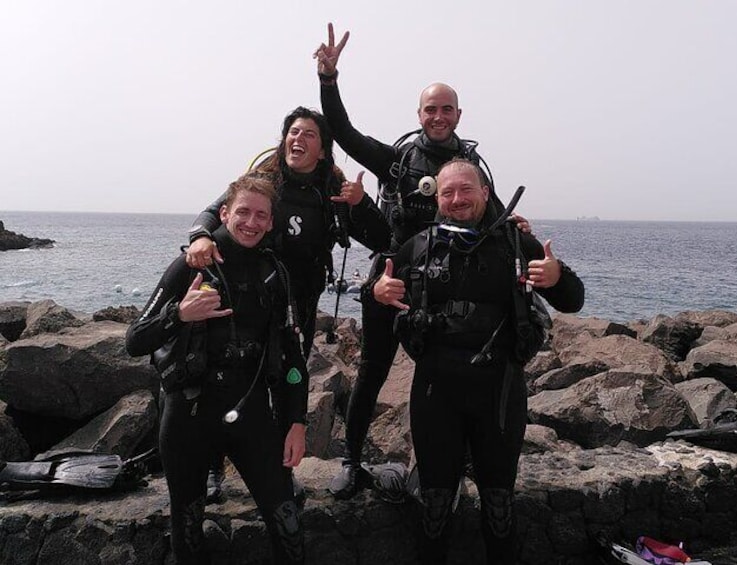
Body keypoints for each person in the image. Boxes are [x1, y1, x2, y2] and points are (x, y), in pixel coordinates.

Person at [314, 23, 513, 498]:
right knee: (373, 371)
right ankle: (352, 459)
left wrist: (519, 235)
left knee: (445, 380)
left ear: (459, 113)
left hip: (448, 289)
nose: (439, 116)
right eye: (431, 108)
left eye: (447, 109)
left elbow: (497, 218)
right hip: (392, 281)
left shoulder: (470, 170)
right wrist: (328, 79)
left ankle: (437, 465)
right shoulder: (398, 161)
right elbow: (344, 133)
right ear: (419, 114)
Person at [371, 159, 584, 564]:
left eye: (466, 189)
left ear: (486, 192)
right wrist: (377, 290)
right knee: (434, 503)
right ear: (439, 197)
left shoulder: (517, 244)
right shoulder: (419, 246)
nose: (456, 199)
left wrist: (557, 278)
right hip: (436, 389)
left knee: (499, 502)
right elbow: (378, 292)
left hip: (499, 391)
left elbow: (574, 300)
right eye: (448, 192)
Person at [185, 106, 392, 499]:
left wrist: (360, 204)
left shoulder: (331, 188)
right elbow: (214, 212)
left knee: (288, 383)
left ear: (323, 148)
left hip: (300, 303)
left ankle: (283, 470)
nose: (298, 139)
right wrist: (200, 237)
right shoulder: (263, 178)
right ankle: (213, 472)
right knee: (227, 377)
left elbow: (382, 239)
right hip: (251, 295)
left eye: (309, 134)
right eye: (293, 132)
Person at [126, 175, 308, 564]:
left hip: (253, 413)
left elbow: (293, 359)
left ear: (271, 222)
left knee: (289, 524)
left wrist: (296, 422)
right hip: (189, 415)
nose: (251, 222)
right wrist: (178, 314)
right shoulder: (191, 266)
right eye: (243, 212)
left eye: (261, 215)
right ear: (223, 213)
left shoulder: (275, 274)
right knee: (188, 529)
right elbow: (135, 339)